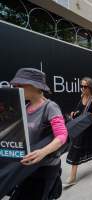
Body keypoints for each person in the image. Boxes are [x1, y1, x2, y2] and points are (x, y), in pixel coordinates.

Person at [9, 68, 68, 200]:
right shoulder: (25, 107)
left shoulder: (50, 107)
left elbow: (62, 136)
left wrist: (42, 152)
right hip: (27, 167)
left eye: (20, 85)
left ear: (34, 86)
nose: (16, 88)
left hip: (45, 168)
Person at [65, 77, 92, 186]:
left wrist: (83, 117)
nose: (83, 88)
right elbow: (79, 110)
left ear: (90, 86)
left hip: (91, 128)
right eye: (81, 86)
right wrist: (74, 113)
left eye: (85, 86)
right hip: (81, 128)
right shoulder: (82, 96)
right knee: (76, 148)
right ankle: (73, 177)